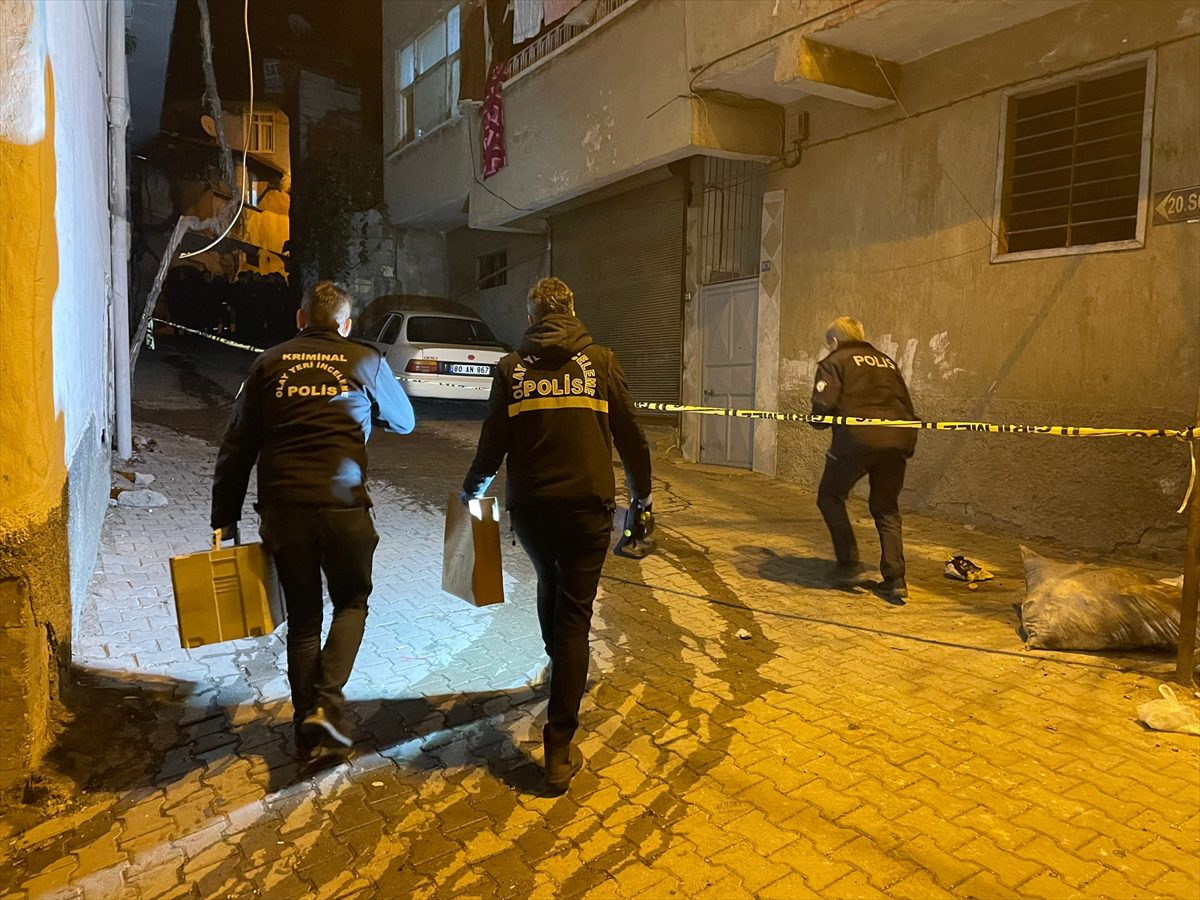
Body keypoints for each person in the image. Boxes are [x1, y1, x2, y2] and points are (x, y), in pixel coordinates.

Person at [461, 276, 652, 793]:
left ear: (530, 317)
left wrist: (472, 489)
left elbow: (492, 441)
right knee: (574, 618)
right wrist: (642, 496)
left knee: (551, 584)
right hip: (587, 508)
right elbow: (632, 436)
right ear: (571, 309)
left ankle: (559, 663)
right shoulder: (600, 362)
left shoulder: (511, 368)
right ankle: (559, 746)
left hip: (532, 511)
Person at [211, 280, 415, 760]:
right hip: (344, 507)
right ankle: (325, 702)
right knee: (352, 602)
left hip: (283, 511)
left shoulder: (268, 363)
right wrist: (362, 411)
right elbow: (404, 420)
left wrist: (225, 519)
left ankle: (306, 728)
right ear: (346, 325)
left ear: (300, 319)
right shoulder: (365, 360)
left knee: (303, 620)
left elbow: (237, 445)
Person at [810, 317, 917, 601]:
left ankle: (848, 564)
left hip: (856, 440)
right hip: (897, 438)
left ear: (835, 340)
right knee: (886, 508)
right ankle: (895, 579)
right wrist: (907, 444)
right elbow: (906, 404)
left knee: (830, 496)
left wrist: (818, 419)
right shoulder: (887, 362)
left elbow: (823, 404)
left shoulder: (835, 361)